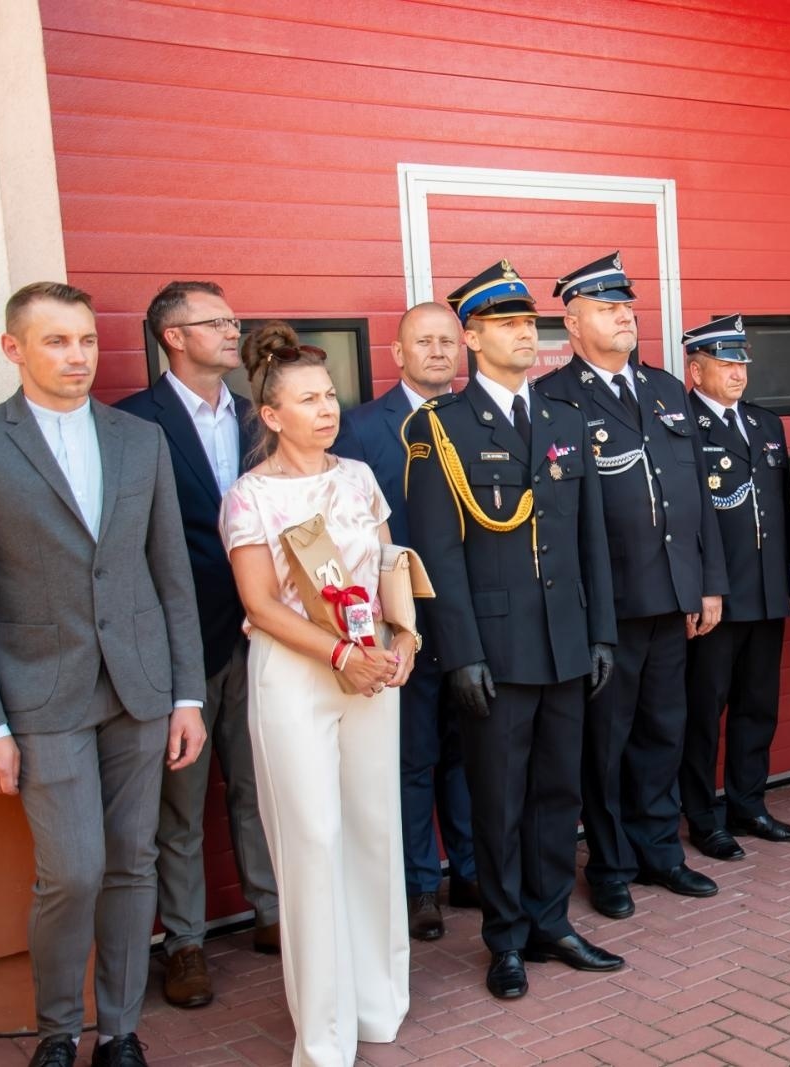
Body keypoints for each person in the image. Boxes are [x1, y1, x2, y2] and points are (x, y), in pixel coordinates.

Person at [0, 281, 207, 1067]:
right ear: (14, 348)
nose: (77, 356)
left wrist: (187, 693)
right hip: (40, 697)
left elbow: (170, 577)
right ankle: (58, 1029)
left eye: (85, 340)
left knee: (133, 862)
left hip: (142, 690)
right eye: (56, 341)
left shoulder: (137, 439)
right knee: (73, 871)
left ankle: (119, 1030)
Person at [404, 259, 622, 1000]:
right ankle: (505, 938)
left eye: (531, 323)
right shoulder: (443, 427)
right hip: (494, 651)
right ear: (471, 336)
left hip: (565, 642)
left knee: (559, 791)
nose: (526, 334)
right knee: (498, 801)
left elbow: (589, 535)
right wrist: (459, 651)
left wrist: (602, 632)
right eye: (507, 323)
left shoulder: (565, 419)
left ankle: (551, 919)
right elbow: (438, 552)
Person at [221, 322, 414, 1065]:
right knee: (313, 841)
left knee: (372, 828)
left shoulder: (359, 476)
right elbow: (262, 604)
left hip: (372, 668)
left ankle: (376, 1002)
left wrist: (403, 639)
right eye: (307, 399)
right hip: (298, 675)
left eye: (330, 395)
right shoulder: (249, 497)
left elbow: (391, 558)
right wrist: (340, 651)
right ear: (271, 414)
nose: (327, 408)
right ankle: (324, 1033)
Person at [536, 252, 728, 920]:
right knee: (605, 742)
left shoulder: (665, 390)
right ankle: (612, 864)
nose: (625, 316)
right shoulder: (554, 399)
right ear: (572, 321)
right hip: (607, 606)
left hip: (673, 596)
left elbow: (695, 499)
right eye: (608, 308)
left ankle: (659, 851)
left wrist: (707, 584)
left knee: (663, 730)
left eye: (627, 307)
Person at [116, 281, 280, 1010]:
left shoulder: (258, 418)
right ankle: (184, 941)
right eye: (217, 322)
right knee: (180, 803)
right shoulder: (129, 423)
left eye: (233, 320)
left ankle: (272, 912)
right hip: (180, 645)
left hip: (264, 631)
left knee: (259, 783)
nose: (231, 331)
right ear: (173, 336)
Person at [333, 300, 478, 942]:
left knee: (468, 752)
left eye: (449, 341)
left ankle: (471, 869)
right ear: (397, 353)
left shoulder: (479, 421)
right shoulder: (362, 429)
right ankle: (422, 884)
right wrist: (384, 622)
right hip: (405, 621)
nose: (440, 352)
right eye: (425, 342)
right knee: (413, 758)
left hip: (473, 615)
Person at [678, 315, 790, 861]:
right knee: (702, 711)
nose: (739, 373)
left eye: (742, 363)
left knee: (758, 705)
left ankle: (748, 803)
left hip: (764, 591)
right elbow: (682, 522)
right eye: (726, 363)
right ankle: (701, 815)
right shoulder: (682, 424)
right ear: (695, 369)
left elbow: (786, 513)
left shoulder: (763, 424)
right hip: (717, 597)